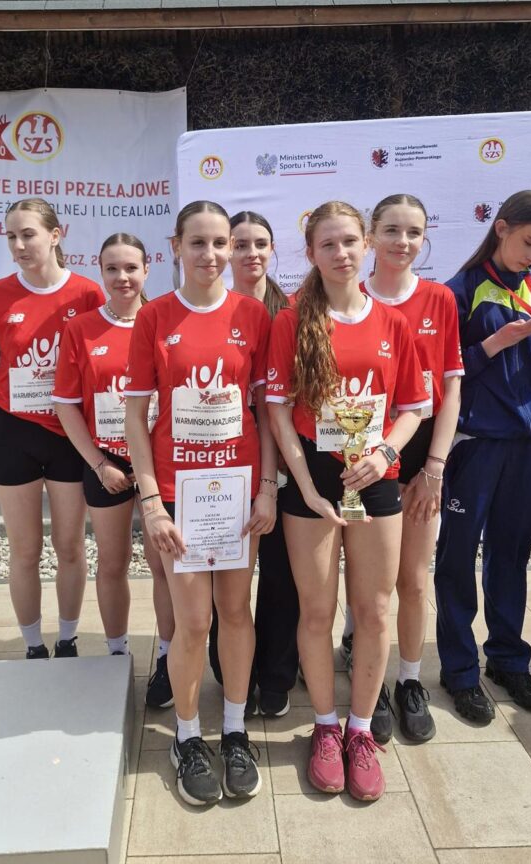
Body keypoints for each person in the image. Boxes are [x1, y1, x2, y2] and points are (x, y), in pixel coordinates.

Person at [267, 200, 429, 802]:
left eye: (349, 242)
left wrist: (385, 454)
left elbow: (413, 407)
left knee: (375, 609)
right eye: (327, 244)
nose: (340, 253)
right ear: (311, 253)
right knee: (316, 611)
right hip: (312, 474)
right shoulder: (292, 320)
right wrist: (306, 485)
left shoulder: (393, 322)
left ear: (366, 245)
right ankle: (325, 726)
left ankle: (361, 730)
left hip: (374, 475)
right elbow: (278, 411)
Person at [125, 200, 278, 806]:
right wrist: (151, 501)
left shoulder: (253, 315)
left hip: (237, 493)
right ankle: (187, 737)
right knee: (193, 621)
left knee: (236, 612)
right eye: (199, 243)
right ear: (176, 247)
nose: (212, 255)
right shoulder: (154, 317)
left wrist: (267, 486)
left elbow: (265, 411)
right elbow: (136, 417)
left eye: (222, 243)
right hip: (178, 494)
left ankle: (234, 730)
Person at [435, 190, 531, 723]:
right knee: (456, 559)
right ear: (501, 228)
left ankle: (508, 660)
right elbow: (443, 376)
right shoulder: (459, 291)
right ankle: (459, 671)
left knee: (511, 556)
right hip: (473, 444)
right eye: (528, 242)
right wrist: (495, 344)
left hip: (529, 443)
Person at [340, 194, 463, 743]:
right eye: (392, 230)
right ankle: (369, 673)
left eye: (414, 232)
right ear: (371, 237)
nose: (403, 242)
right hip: (357, 454)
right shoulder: (351, 296)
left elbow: (450, 389)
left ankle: (410, 679)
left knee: (412, 579)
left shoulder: (440, 299)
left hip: (418, 457)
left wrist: (434, 466)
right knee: (367, 584)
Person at [0, 198, 104, 658]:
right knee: (24, 550)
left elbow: (105, 363)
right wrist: (5, 396)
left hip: (69, 436)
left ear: (55, 235)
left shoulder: (87, 294)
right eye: (11, 236)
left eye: (28, 234)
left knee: (70, 546)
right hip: (15, 435)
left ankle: (67, 638)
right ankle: (32, 646)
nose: (19, 245)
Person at [52, 233, 175, 706]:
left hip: (160, 464)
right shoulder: (81, 329)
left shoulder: (164, 319)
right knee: (112, 562)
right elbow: (66, 405)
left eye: (131, 268)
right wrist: (99, 463)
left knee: (164, 566)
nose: (122, 278)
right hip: (107, 464)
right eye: (112, 269)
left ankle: (167, 660)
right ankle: (117, 654)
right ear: (100, 272)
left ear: (147, 269)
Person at [206, 210, 299, 719]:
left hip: (287, 465)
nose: (250, 253)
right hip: (225, 466)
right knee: (224, 576)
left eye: (260, 243)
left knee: (282, 575)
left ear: (272, 248)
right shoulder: (209, 309)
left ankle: (278, 672)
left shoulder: (294, 311)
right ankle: (231, 669)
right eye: (239, 244)